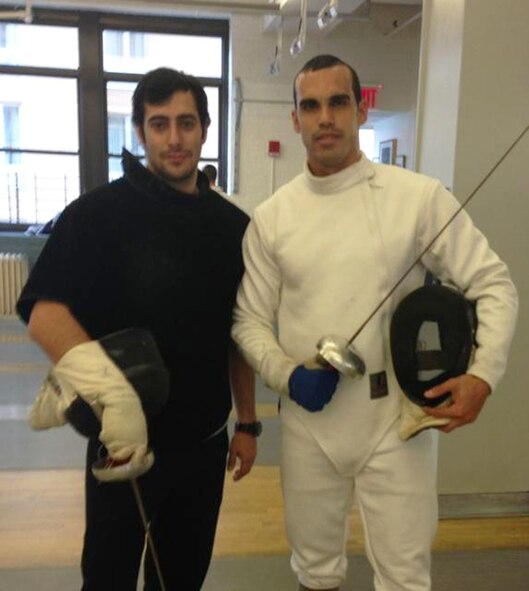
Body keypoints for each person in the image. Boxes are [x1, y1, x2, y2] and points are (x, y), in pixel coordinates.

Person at [231, 54, 518, 591]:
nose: (325, 119)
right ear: (294, 119)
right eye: (310, 106)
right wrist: (286, 375)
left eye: (338, 102)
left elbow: (493, 283)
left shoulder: (418, 198)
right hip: (308, 425)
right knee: (314, 571)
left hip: (396, 423)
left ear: (360, 109)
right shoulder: (272, 218)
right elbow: (248, 320)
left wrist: (483, 375)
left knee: (406, 576)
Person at [17, 67, 259, 591]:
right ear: (141, 131)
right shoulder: (96, 215)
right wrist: (114, 398)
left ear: (205, 129)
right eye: (159, 124)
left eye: (187, 123)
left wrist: (248, 422)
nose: (174, 139)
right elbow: (44, 312)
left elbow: (238, 331)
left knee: (182, 578)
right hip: (122, 446)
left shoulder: (233, 228)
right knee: (106, 577)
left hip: (203, 441)